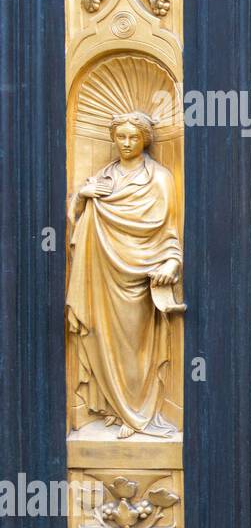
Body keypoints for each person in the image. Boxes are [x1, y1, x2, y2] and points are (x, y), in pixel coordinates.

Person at [66, 110, 183, 437]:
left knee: (136, 350)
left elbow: (170, 231)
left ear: (144, 139)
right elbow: (79, 223)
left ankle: (139, 415)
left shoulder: (160, 178)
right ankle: (115, 410)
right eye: (121, 136)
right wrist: (80, 197)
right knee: (103, 342)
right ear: (113, 138)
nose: (127, 143)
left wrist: (171, 263)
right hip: (102, 275)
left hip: (143, 277)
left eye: (134, 137)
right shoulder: (104, 177)